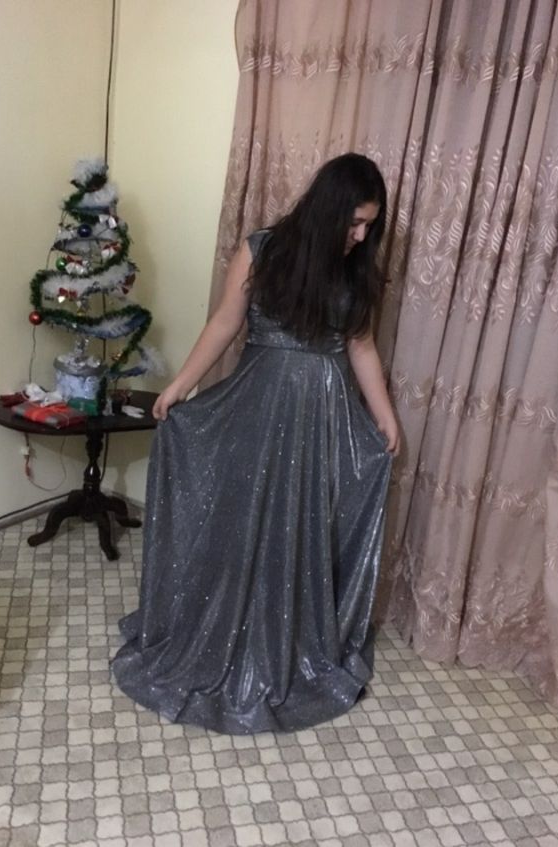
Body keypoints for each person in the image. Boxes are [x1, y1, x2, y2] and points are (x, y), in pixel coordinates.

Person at [112, 153, 399, 734]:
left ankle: (289, 635)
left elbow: (361, 345)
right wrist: (180, 385)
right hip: (258, 404)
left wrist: (386, 416)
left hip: (323, 416)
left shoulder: (355, 269)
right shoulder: (263, 250)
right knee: (243, 517)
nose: (360, 235)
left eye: (369, 225)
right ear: (328, 210)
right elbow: (225, 322)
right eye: (354, 222)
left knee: (303, 525)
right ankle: (227, 627)